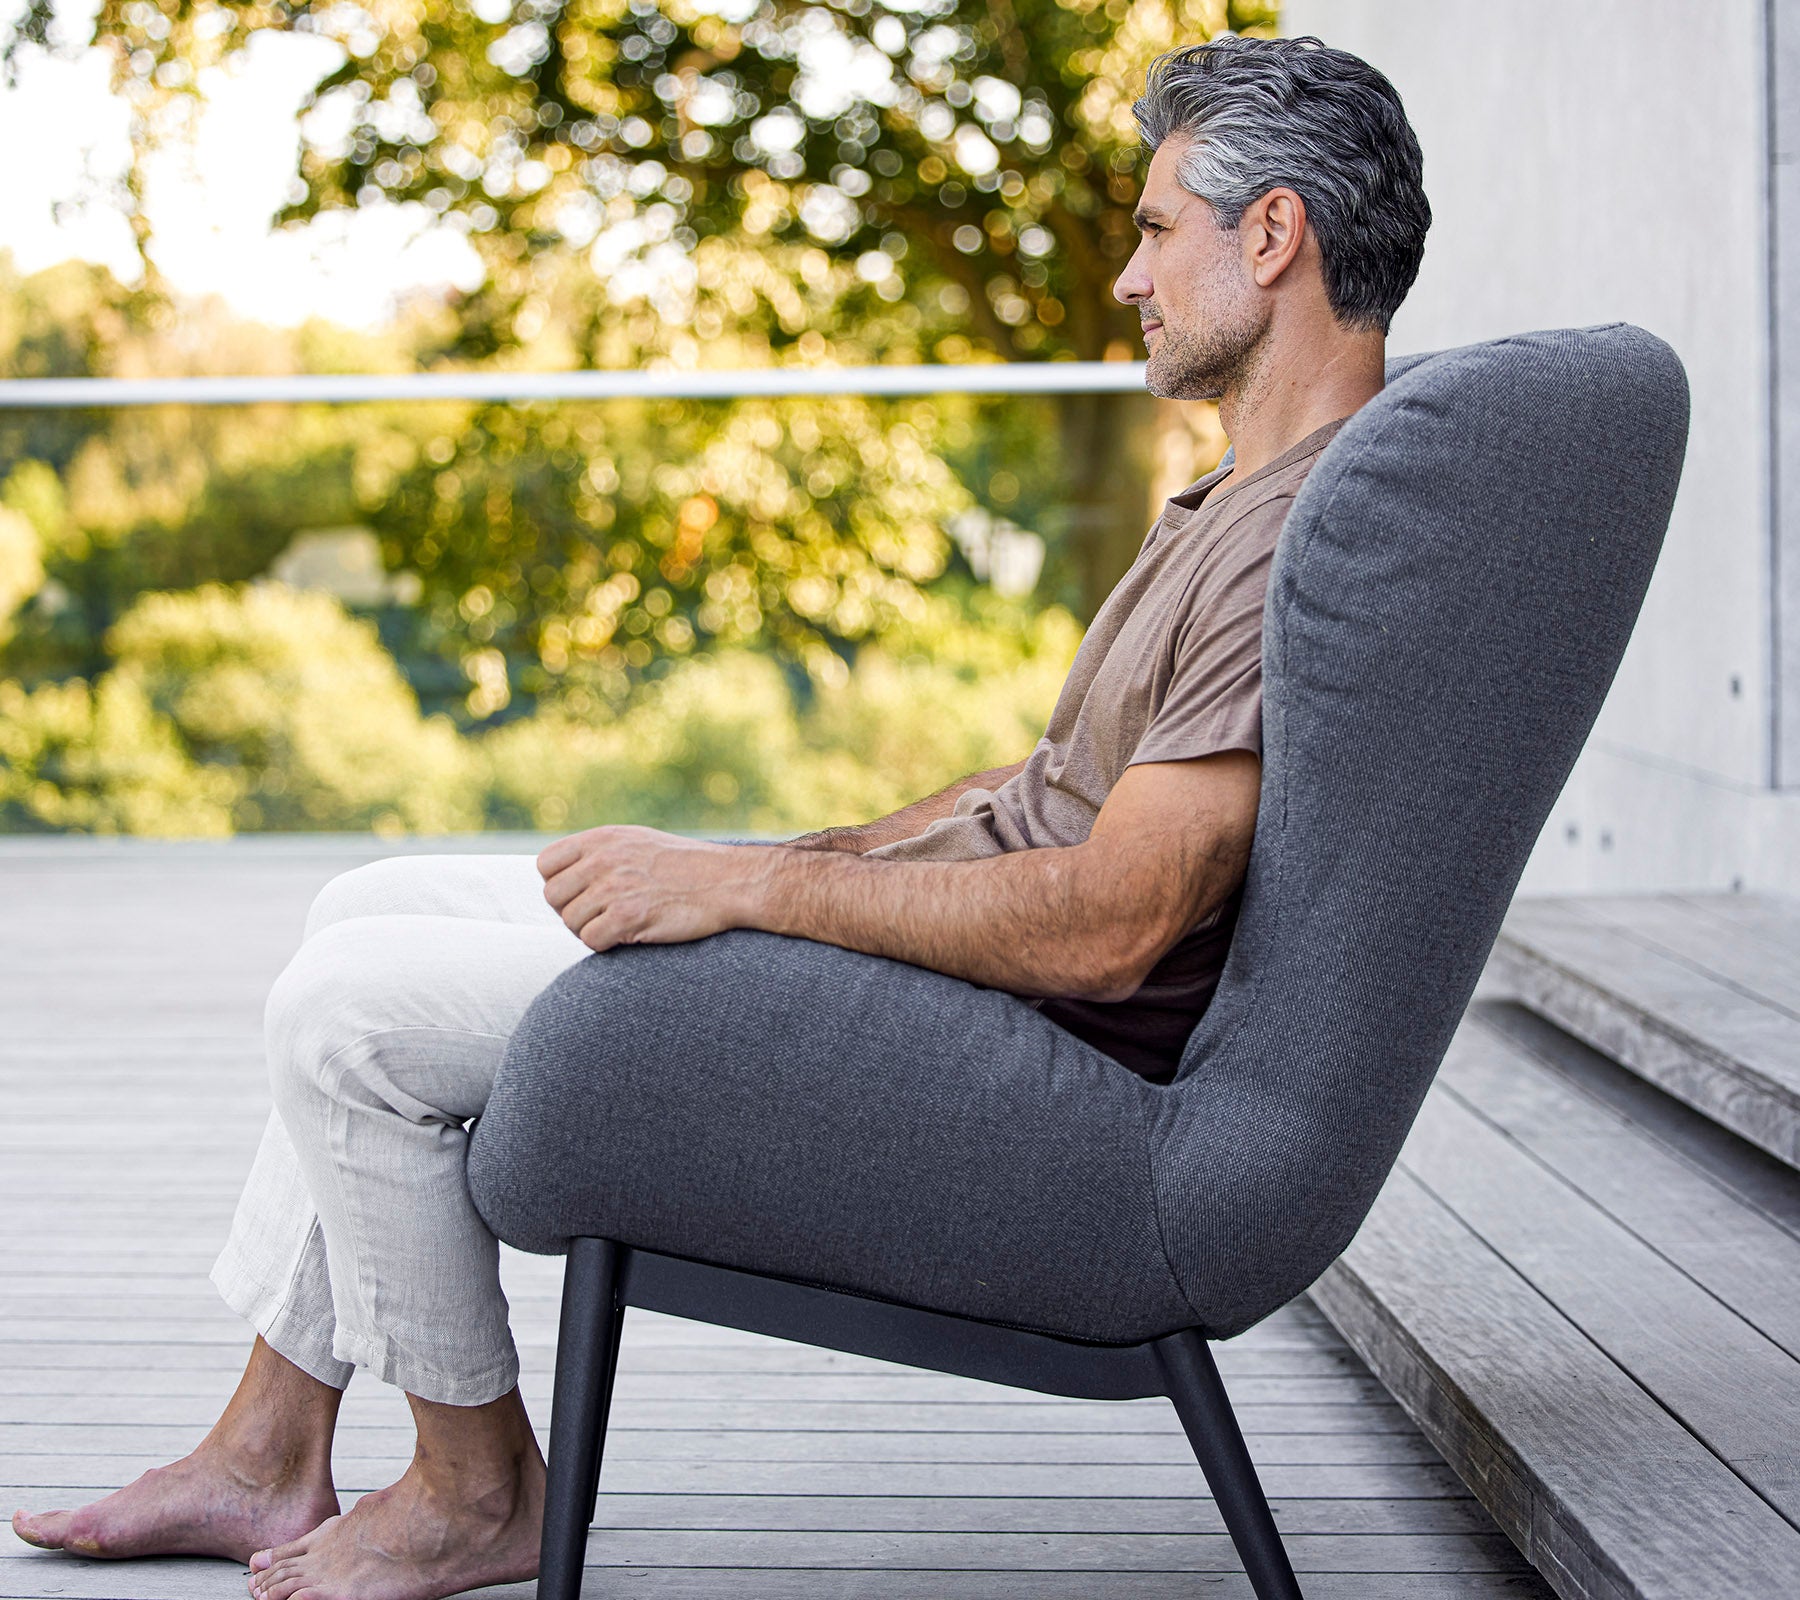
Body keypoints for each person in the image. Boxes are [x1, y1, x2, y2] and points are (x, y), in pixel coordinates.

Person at [12, 32, 1430, 1600]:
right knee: (364, 906)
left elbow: (1109, 922)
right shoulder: (1251, 489)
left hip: (1014, 1067)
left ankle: (476, 1489)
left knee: (350, 1017)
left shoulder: (1298, 531)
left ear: (1275, 235)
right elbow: (1036, 797)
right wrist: (791, 854)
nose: (1127, 279)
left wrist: (747, 893)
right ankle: (268, 1452)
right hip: (951, 987)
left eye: (1157, 230)